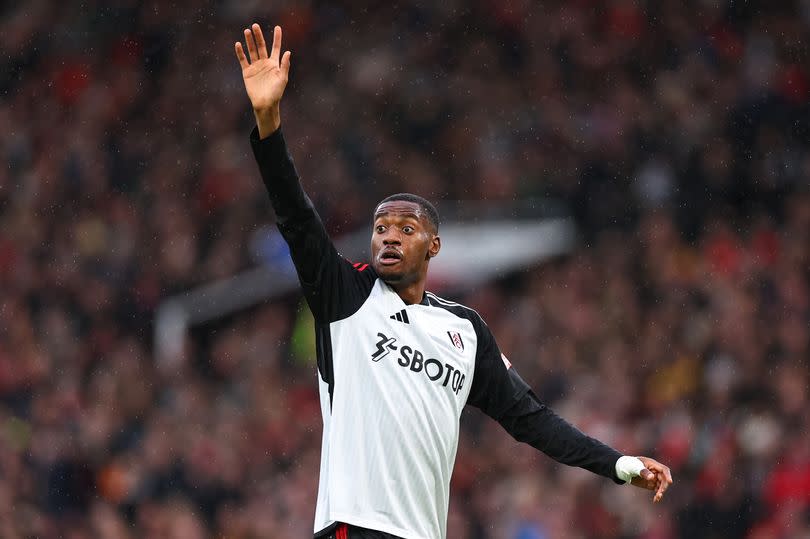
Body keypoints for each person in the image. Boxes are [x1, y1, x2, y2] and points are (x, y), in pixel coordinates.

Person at [234, 23, 673, 539]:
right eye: (380, 229)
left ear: (433, 246)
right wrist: (269, 120)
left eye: (406, 228)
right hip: (355, 528)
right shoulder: (346, 296)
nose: (388, 238)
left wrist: (618, 465)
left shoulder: (464, 332)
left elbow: (530, 419)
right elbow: (296, 216)